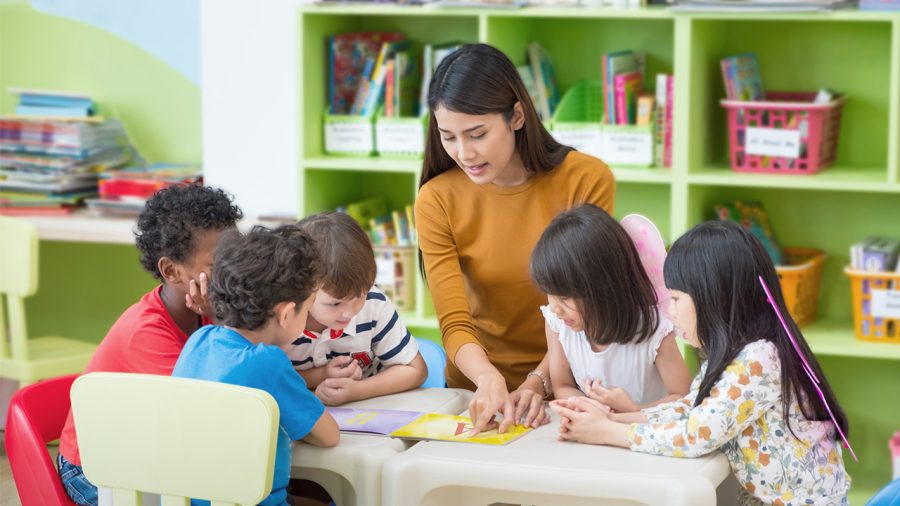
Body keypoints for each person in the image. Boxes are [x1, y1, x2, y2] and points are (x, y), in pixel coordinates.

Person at [550, 220, 851, 506]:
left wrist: (606, 432)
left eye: (677, 299)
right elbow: (690, 409)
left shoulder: (759, 359)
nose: (670, 311)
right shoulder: (734, 356)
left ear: (714, 297)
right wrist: (613, 419)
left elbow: (697, 435)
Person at [415, 43, 615, 434]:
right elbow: (454, 323)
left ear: (517, 116)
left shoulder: (586, 180)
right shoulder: (437, 198)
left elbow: (586, 307)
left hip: (571, 385)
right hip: (475, 392)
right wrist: (488, 380)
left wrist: (538, 381)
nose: (464, 153)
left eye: (477, 134)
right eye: (448, 137)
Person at [57, 184, 242, 506]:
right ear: (171, 271)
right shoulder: (147, 332)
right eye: (217, 266)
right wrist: (225, 318)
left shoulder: (208, 311)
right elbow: (216, 406)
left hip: (150, 451)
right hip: (94, 468)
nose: (235, 273)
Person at [173, 225, 340, 506]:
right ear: (286, 313)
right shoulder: (267, 362)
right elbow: (328, 436)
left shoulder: (199, 340)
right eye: (308, 307)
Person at [530, 204, 691, 412]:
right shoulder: (558, 325)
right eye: (549, 292)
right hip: (595, 436)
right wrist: (591, 407)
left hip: (642, 436)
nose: (554, 307)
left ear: (604, 287)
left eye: (564, 296)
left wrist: (630, 410)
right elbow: (563, 386)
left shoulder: (654, 331)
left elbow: (683, 398)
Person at [287, 212, 427, 405]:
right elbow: (264, 377)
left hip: (369, 412)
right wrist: (319, 376)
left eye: (359, 296)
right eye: (335, 303)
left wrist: (358, 391)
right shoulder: (283, 317)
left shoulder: (373, 303)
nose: (349, 313)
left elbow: (415, 369)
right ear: (302, 287)